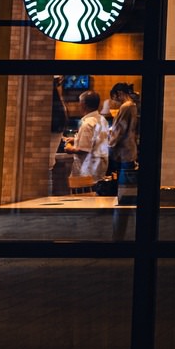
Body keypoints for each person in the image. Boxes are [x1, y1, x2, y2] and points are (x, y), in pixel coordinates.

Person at [105, 82, 141, 240]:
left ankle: (118, 236)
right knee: (128, 195)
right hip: (131, 153)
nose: (114, 101)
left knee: (124, 198)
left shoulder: (126, 107)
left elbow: (118, 130)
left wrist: (109, 143)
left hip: (125, 154)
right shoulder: (133, 106)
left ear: (119, 93)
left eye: (114, 97)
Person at [65, 89, 110, 183]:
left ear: (83, 104)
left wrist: (69, 149)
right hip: (99, 167)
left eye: (79, 102)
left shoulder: (87, 124)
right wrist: (76, 139)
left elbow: (83, 149)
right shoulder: (102, 120)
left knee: (84, 196)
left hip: (87, 170)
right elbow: (96, 140)